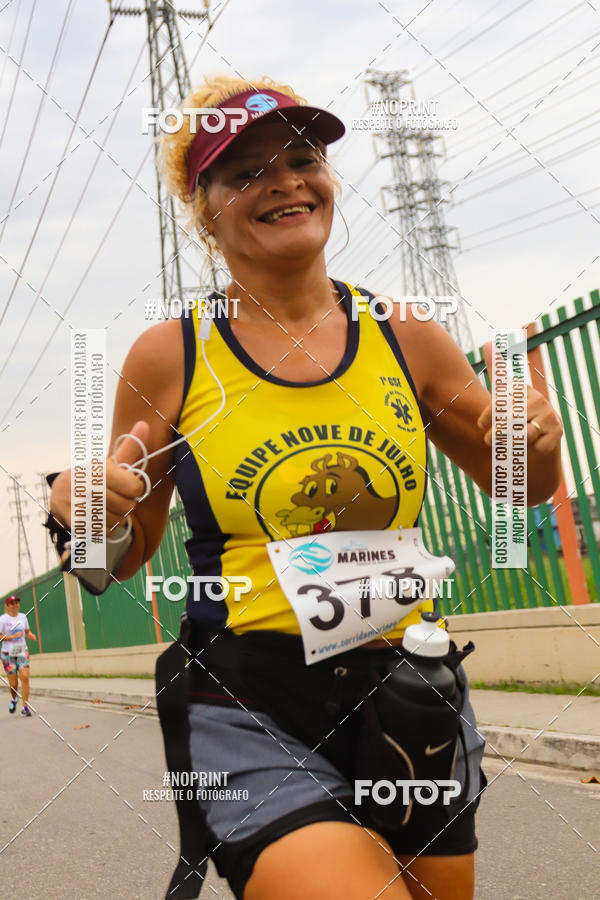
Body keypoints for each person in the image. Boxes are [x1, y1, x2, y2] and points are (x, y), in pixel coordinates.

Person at [49, 75, 563, 899]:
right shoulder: (170, 356)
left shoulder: (406, 334)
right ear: (203, 208)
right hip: (249, 697)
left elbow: (526, 489)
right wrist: (82, 516)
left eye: (302, 157)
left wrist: (536, 442)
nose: (285, 180)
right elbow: (110, 561)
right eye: (245, 171)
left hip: (409, 691)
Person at [0, 595, 36, 716]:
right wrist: (12, 637)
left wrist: (30, 635)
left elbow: (26, 631)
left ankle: (25, 707)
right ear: (7, 606)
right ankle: (14, 699)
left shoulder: (23, 617)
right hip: (7, 653)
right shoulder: (3, 619)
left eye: (17, 603)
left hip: (21, 650)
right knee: (13, 684)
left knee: (25, 677)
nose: (15, 605)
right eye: (12, 603)